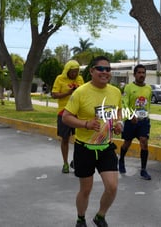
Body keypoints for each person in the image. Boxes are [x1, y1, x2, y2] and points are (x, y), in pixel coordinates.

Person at [62, 56, 123, 227]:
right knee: (86, 189)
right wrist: (86, 124)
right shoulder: (80, 92)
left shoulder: (115, 91)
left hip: (106, 147)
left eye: (108, 69)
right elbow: (66, 117)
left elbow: (118, 112)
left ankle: (100, 216)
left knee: (112, 187)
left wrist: (119, 124)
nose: (105, 72)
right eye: (100, 69)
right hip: (84, 148)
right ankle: (81, 218)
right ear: (91, 71)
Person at [119, 64, 153, 180]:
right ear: (134, 75)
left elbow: (147, 104)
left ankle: (143, 170)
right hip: (130, 121)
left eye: (143, 73)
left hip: (143, 121)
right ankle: (121, 160)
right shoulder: (128, 88)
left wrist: (146, 116)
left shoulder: (148, 88)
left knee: (144, 142)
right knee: (127, 143)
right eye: (139, 73)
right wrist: (129, 115)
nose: (141, 75)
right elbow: (124, 103)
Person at [51, 60, 84, 173]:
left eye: (76, 72)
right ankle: (65, 163)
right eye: (72, 72)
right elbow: (54, 95)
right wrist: (69, 92)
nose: (74, 74)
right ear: (67, 71)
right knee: (65, 139)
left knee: (80, 139)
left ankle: (76, 161)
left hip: (78, 113)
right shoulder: (60, 78)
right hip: (64, 112)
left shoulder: (80, 79)